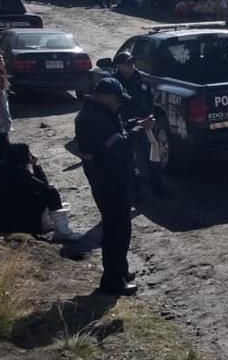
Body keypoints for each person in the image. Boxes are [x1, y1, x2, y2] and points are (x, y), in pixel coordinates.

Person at [76, 78, 150, 296]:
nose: (119, 104)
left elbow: (116, 134)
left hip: (115, 177)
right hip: (108, 180)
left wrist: (134, 124)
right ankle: (112, 281)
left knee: (120, 227)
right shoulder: (91, 118)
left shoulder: (100, 112)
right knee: (115, 230)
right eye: (117, 100)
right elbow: (112, 145)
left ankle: (120, 270)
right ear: (106, 96)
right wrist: (138, 132)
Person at [0, 142, 80, 240]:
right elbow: (45, 188)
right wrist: (35, 166)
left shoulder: (1, 170)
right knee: (52, 192)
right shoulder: (20, 174)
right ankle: (63, 231)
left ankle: (57, 227)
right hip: (18, 224)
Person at [112, 52, 163, 199]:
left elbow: (150, 100)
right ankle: (136, 192)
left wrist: (151, 117)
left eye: (132, 62)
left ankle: (157, 188)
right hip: (125, 127)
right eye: (127, 63)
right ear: (119, 65)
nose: (131, 66)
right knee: (130, 161)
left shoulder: (142, 78)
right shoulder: (114, 83)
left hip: (146, 124)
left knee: (152, 157)